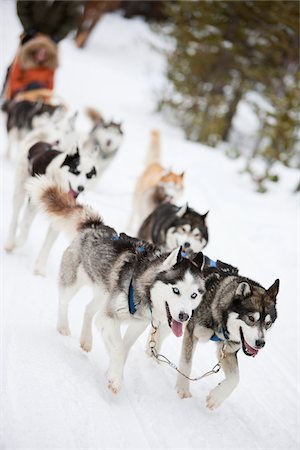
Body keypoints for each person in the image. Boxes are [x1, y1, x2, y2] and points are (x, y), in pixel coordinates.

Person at [17, 0, 81, 44]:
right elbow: (22, 7)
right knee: (22, 59)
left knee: (46, 62)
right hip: (29, 35)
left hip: (51, 40)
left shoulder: (73, 2)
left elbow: (73, 18)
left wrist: (58, 36)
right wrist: (29, 28)